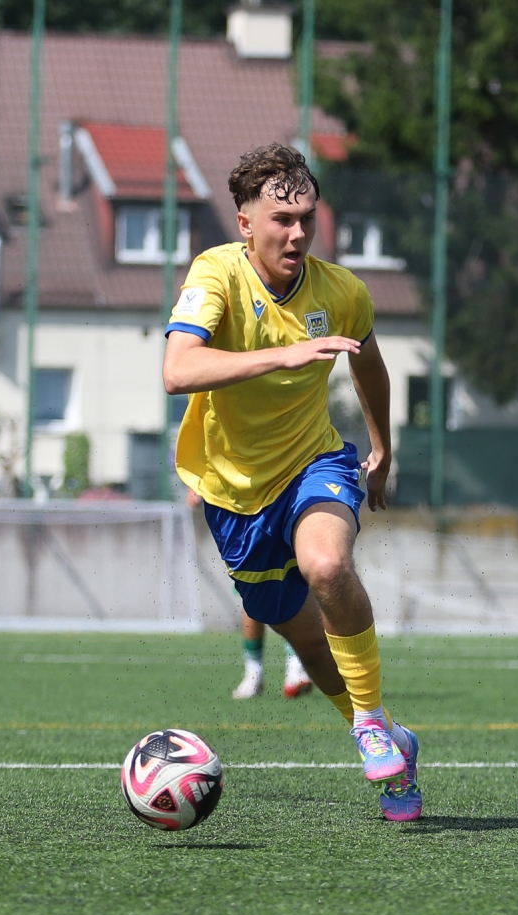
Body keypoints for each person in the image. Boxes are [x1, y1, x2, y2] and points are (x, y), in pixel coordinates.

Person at [163, 143, 420, 821]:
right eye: (282, 219)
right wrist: (285, 354)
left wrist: (383, 448)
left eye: (307, 217)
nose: (298, 232)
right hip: (232, 495)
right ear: (246, 222)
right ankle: (394, 740)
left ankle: (371, 727)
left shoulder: (342, 292)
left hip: (315, 463)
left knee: (327, 565)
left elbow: (369, 365)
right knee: (304, 638)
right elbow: (178, 370)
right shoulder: (215, 274)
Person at [187, 488, 317, 700]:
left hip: (286, 497)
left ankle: (295, 668)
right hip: (248, 507)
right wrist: (197, 486)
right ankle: (253, 672)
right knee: (253, 595)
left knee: (297, 585)